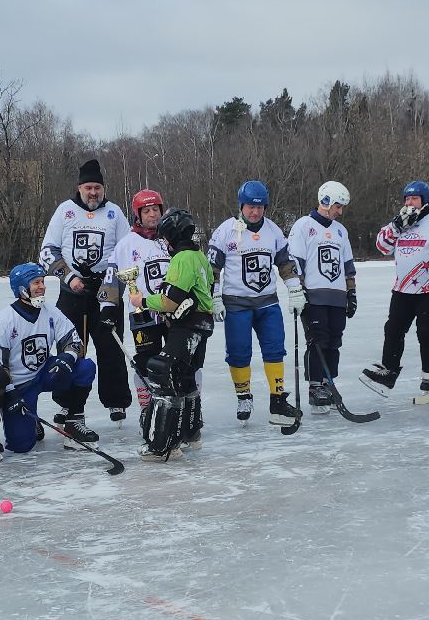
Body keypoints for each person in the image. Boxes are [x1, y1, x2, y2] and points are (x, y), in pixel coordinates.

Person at [38, 158, 131, 433]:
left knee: (111, 347)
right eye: (88, 187)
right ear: (80, 188)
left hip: (106, 291)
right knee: (70, 349)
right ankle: (67, 403)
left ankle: (116, 400)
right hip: (72, 292)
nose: (93, 193)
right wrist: (69, 277)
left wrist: (111, 290)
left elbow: (126, 253)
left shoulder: (114, 213)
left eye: (97, 188)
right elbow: (47, 251)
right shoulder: (65, 211)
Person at [0, 263, 97, 457]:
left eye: (43, 282)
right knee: (21, 446)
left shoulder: (50, 311)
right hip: (19, 385)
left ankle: (74, 423)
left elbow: (73, 341)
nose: (42, 287)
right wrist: (11, 394)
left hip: (45, 372)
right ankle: (32, 422)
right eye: (36, 283)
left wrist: (66, 358)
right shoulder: (4, 320)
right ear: (22, 288)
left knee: (85, 367)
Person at [207, 180, 302, 427]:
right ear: (241, 205)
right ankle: (243, 395)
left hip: (267, 303)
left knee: (275, 349)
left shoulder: (273, 231)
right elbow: (212, 269)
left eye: (260, 207)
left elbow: (285, 263)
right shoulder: (226, 230)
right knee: (239, 352)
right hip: (236, 304)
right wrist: (215, 296)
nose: (255, 212)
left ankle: (277, 401)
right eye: (250, 206)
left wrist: (294, 290)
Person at [123, 209, 214, 460]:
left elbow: (169, 300)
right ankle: (190, 431)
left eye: (165, 238)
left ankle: (161, 444)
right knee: (184, 376)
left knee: (164, 372)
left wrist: (141, 299)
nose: (164, 243)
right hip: (201, 325)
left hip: (189, 326)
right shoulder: (199, 256)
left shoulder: (183, 258)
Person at [364, 180, 429, 400]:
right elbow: (382, 247)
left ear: (425, 200)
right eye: (407, 199)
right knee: (393, 329)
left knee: (426, 332)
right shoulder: (401, 221)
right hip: (403, 288)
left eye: (414, 199)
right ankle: (389, 370)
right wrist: (397, 226)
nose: (410, 203)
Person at [286, 182, 356, 412]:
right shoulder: (303, 226)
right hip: (313, 297)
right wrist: (299, 290)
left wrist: (351, 292)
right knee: (318, 341)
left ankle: (329, 383)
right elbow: (295, 263)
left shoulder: (340, 231)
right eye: (337, 205)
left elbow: (347, 265)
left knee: (335, 341)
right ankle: (316, 387)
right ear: (325, 201)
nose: (340, 211)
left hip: (337, 298)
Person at [102, 188, 170, 422]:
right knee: (145, 362)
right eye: (147, 211)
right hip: (141, 314)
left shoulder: (170, 239)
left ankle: (184, 407)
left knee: (179, 360)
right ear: (138, 214)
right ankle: (146, 408)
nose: (152, 215)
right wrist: (108, 306)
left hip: (173, 312)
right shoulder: (126, 244)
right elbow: (111, 277)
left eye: (156, 210)